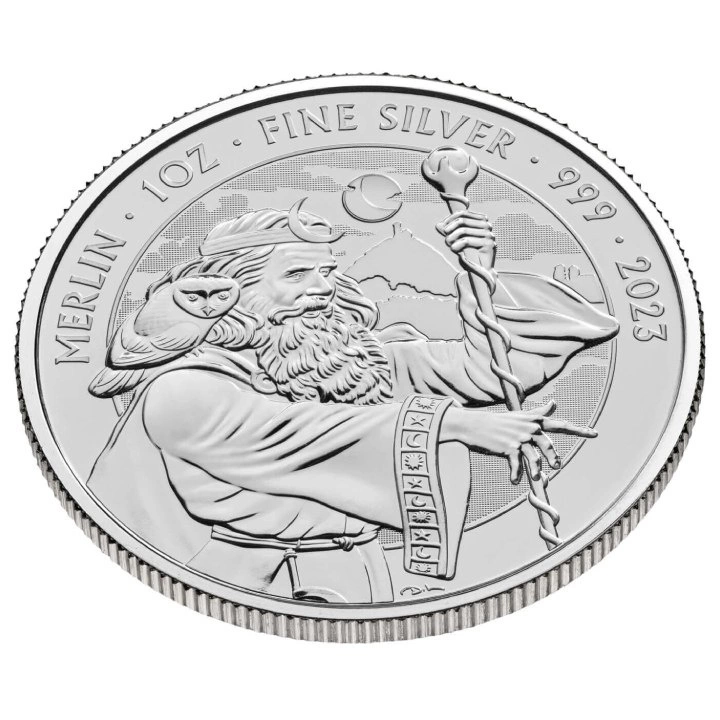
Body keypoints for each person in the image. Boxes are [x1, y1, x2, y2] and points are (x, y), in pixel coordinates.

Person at [88, 203, 619, 603]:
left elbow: (494, 369)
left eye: (327, 272)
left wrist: (484, 274)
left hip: (361, 571)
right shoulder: (185, 386)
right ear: (237, 290)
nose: (322, 288)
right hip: (230, 583)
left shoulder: (349, 360)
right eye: (296, 274)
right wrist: (453, 426)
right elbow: (285, 433)